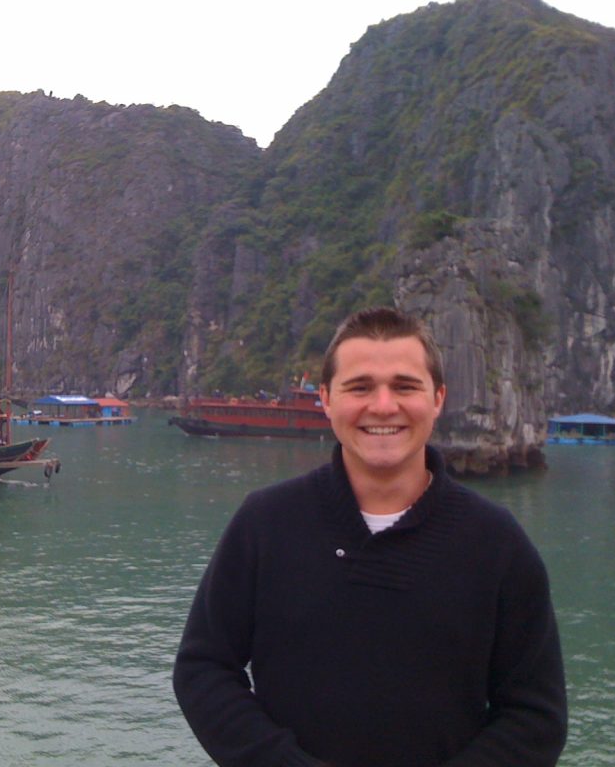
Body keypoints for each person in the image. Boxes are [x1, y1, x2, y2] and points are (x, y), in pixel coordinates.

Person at [173, 306, 567, 767]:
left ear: (438, 398)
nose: (383, 406)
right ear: (326, 398)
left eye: (405, 386)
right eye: (359, 387)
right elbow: (204, 669)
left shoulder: (497, 544)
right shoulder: (265, 523)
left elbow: (535, 716)